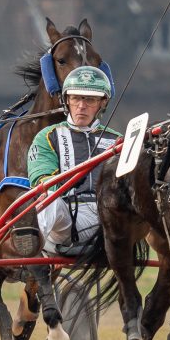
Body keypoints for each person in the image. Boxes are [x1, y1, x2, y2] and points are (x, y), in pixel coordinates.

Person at [27, 66, 120, 255]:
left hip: (111, 220)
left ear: (103, 102)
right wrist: (59, 185)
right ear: (67, 100)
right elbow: (41, 178)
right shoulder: (48, 136)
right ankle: (30, 249)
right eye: (76, 98)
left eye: (90, 99)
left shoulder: (119, 140)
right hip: (67, 221)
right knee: (48, 200)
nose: (81, 106)